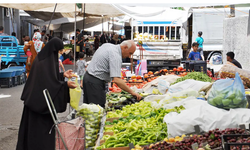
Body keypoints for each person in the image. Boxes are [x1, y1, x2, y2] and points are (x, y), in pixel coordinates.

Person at [16, 37, 77, 150]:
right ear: (53, 50)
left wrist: (62, 75)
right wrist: (65, 85)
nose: (60, 54)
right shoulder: (44, 62)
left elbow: (48, 78)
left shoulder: (43, 57)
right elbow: (49, 84)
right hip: (39, 108)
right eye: (59, 52)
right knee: (40, 138)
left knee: (34, 135)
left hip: (35, 103)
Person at [83, 40, 142, 107]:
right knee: (96, 109)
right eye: (130, 53)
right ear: (125, 47)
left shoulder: (108, 45)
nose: (129, 56)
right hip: (95, 82)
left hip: (88, 78)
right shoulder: (116, 56)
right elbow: (117, 80)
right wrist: (132, 92)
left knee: (88, 108)